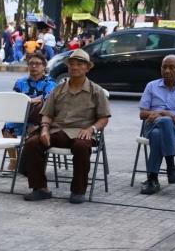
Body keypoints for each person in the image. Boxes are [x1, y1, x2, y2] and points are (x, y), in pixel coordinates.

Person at [22, 49, 111, 204]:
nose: (75, 67)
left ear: (87, 68)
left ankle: (78, 191)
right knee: (32, 143)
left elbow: (103, 118)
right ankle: (40, 188)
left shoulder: (96, 91)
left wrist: (92, 129)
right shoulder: (58, 89)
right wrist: (44, 129)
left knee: (82, 147)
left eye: (79, 64)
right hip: (57, 131)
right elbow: (47, 113)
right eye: (72, 64)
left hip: (81, 133)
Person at [137, 55, 175, 195]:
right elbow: (142, 114)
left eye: (171, 67)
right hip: (150, 126)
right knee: (163, 123)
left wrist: (167, 115)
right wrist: (162, 114)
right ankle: (171, 168)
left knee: (160, 131)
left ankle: (152, 180)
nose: (167, 70)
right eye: (164, 67)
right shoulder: (151, 86)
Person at [2, 52, 56, 170]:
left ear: (44, 66)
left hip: (41, 119)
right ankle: (13, 161)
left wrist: (27, 100)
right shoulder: (21, 82)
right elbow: (15, 99)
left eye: (37, 64)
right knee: (7, 128)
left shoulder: (50, 83)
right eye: (31, 64)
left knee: (34, 130)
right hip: (22, 116)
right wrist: (32, 100)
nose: (34, 67)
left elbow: (47, 100)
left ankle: (31, 163)